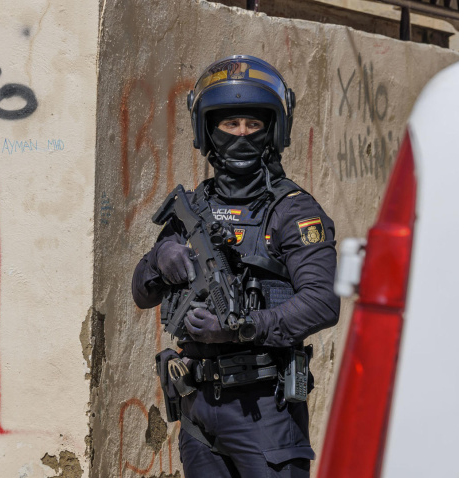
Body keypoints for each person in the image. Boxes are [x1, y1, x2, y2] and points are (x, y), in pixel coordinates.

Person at [131, 55, 340, 477]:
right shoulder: (193, 208)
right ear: (208, 129)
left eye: (252, 124)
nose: (241, 134)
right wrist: (159, 259)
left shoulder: (294, 212)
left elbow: (322, 303)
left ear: (273, 130)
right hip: (197, 410)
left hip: (264, 411)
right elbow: (142, 292)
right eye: (230, 124)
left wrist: (242, 327)